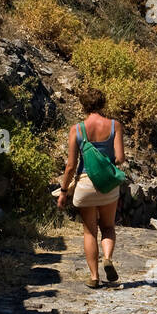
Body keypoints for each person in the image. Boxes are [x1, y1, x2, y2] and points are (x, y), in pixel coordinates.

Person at [57, 88, 126, 288]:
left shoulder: (77, 129)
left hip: (85, 185)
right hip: (107, 185)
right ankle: (107, 258)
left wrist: (63, 192)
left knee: (89, 231)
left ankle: (94, 277)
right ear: (103, 104)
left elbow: (71, 165)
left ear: (84, 106)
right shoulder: (115, 125)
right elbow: (120, 158)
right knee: (108, 227)